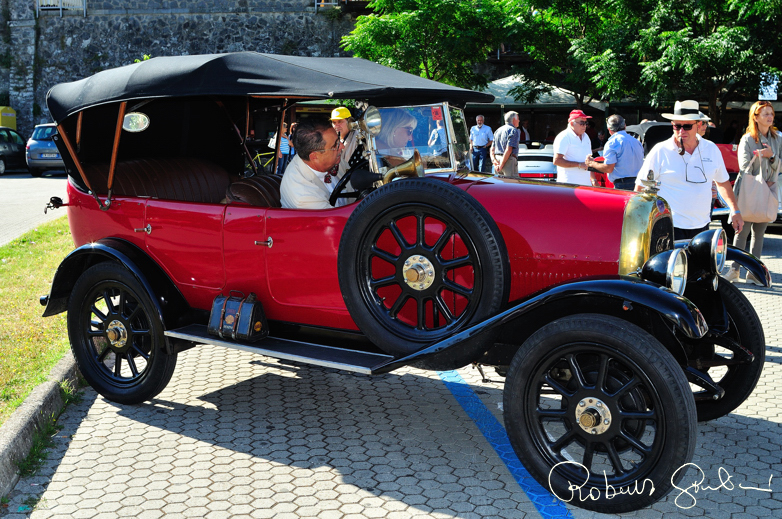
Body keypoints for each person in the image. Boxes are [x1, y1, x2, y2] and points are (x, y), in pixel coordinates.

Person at [633, 100, 744, 241]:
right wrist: (638, 221)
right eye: (676, 126)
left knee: (700, 264)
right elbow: (640, 187)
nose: (681, 131)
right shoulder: (660, 150)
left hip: (702, 225)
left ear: (698, 125)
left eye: (687, 126)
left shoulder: (711, 149)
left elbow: (722, 182)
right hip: (668, 226)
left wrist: (735, 210)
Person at [724, 100, 781, 285]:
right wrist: (761, 156)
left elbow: (779, 164)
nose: (770, 117)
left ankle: (754, 272)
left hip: (768, 188)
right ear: (755, 117)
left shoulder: (777, 138)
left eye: (771, 113)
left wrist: (771, 156)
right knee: (742, 231)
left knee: (760, 232)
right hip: (750, 189)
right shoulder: (747, 139)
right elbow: (743, 167)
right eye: (765, 114)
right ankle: (734, 269)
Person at [280, 119, 345, 209]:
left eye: (339, 141)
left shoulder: (332, 159)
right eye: (336, 145)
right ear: (314, 156)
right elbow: (340, 220)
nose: (342, 146)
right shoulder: (303, 197)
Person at [586, 114, 643, 190]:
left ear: (609, 129)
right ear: (625, 126)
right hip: (639, 183)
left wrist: (591, 163)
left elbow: (608, 168)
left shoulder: (612, 143)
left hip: (623, 184)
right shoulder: (636, 142)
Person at [553, 109, 595, 186]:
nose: (585, 126)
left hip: (586, 185)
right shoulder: (564, 137)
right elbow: (557, 161)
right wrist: (579, 164)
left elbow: (589, 161)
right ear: (572, 123)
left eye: (586, 123)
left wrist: (593, 179)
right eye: (582, 123)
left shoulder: (586, 136)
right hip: (568, 185)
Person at [329, 106, 365, 176]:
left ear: (350, 122)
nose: (336, 125)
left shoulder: (359, 136)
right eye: (334, 122)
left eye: (340, 121)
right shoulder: (333, 139)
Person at [490, 111, 521, 177]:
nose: (519, 120)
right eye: (518, 119)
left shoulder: (498, 130)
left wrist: (494, 161)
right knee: (511, 184)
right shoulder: (513, 130)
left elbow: (492, 149)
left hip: (497, 160)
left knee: (499, 185)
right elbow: (509, 149)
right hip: (508, 161)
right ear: (514, 119)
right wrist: (501, 165)